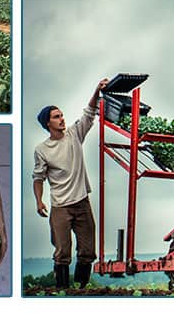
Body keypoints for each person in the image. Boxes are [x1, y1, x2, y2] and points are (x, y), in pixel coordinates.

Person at [32, 78, 109, 288]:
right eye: (56, 117)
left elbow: (89, 112)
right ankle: (62, 290)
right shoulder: (42, 149)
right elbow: (38, 178)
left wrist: (96, 90)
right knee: (62, 252)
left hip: (82, 202)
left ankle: (81, 288)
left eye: (62, 115)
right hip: (60, 206)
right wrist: (39, 201)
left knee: (87, 251)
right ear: (48, 123)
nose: (62, 119)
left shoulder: (74, 134)